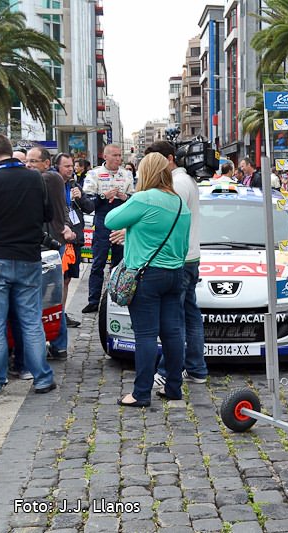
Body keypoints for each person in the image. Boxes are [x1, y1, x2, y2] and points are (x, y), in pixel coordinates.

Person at [0, 134, 57, 397]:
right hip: (28, 258)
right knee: (31, 321)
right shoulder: (35, 179)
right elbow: (48, 215)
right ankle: (42, 377)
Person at [104, 152, 191, 407]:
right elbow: (184, 245)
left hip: (146, 275)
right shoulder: (179, 203)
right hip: (175, 274)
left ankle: (141, 393)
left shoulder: (143, 199)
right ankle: (173, 387)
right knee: (173, 333)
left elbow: (111, 220)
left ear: (145, 173)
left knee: (145, 335)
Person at [142, 141, 208, 386]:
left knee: (174, 320)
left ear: (170, 159)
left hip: (179, 258)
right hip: (189, 256)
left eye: (157, 160)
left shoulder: (178, 183)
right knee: (190, 315)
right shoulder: (185, 181)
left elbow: (166, 218)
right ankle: (196, 369)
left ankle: (166, 372)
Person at [25, 147, 74, 360]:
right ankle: (56, 345)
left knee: (50, 300)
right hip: (47, 242)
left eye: (34, 161)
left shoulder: (50, 178)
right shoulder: (45, 178)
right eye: (27, 161)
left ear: (46, 163)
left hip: (51, 246)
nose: (28, 165)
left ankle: (58, 344)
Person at [82, 144, 133, 314]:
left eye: (120, 155)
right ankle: (93, 301)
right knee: (98, 263)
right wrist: (105, 195)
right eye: (115, 155)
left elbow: (134, 200)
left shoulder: (126, 174)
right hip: (102, 220)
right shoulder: (94, 174)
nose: (119, 159)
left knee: (120, 263)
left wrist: (123, 196)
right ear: (106, 157)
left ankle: (117, 299)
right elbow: (88, 203)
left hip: (121, 220)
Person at [55, 153, 93, 329]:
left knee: (68, 279)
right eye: (66, 166)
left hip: (74, 238)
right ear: (57, 167)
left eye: (71, 166)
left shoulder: (74, 185)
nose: (70, 169)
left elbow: (90, 207)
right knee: (59, 279)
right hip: (59, 239)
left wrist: (80, 197)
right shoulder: (52, 185)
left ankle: (62, 313)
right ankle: (56, 315)